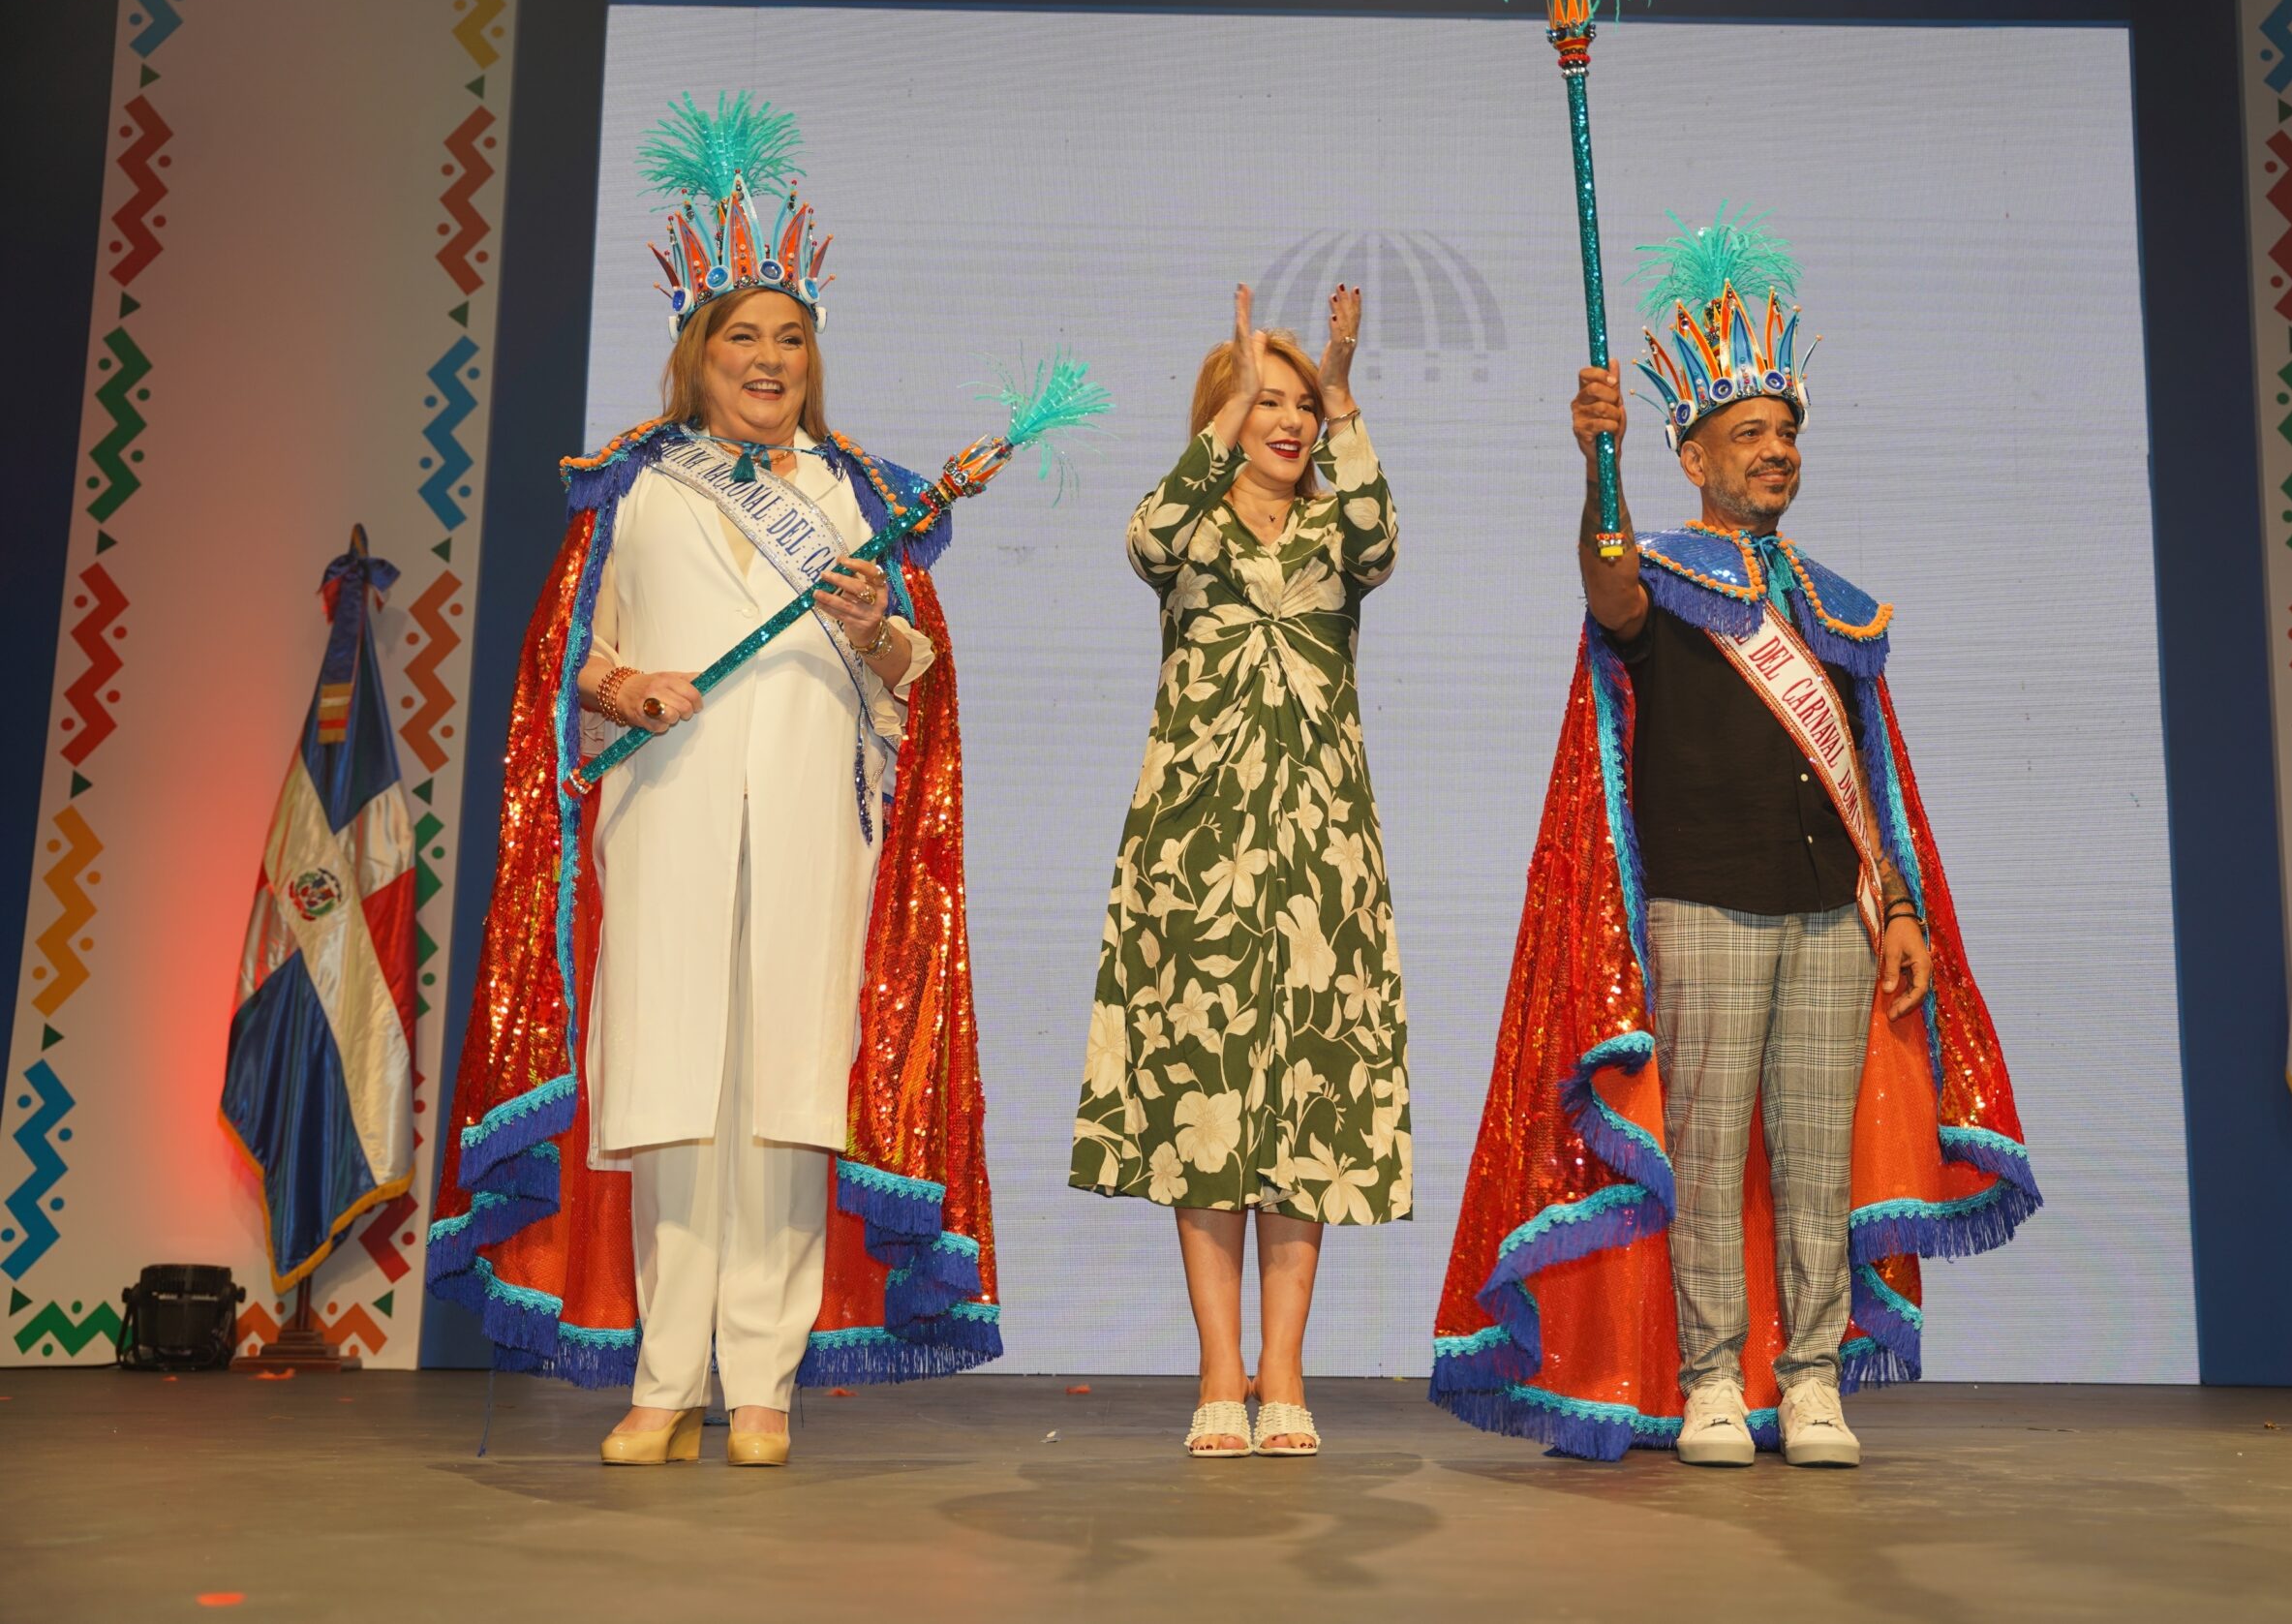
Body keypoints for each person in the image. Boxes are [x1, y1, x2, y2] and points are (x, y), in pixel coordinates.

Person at [426, 94, 1002, 1467]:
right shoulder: (635, 487)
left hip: (811, 826)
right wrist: (624, 687)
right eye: (743, 336)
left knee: (791, 1099)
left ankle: (765, 1381)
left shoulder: (860, 495)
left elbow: (915, 680)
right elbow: (568, 657)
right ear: (697, 352)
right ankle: (664, 1376)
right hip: (666, 819)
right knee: (673, 1094)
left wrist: (879, 626)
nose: (768, 359)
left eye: (790, 338)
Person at [1429, 209, 2039, 1466]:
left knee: (1815, 1154)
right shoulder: (1656, 580)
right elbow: (1604, 582)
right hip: (1700, 903)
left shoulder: (1832, 609)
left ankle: (1810, 1377)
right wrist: (1596, 466)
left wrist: (1902, 910)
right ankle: (1710, 1376)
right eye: (1749, 435)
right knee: (1705, 1153)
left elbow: (1876, 781)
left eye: (1785, 434)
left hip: (1829, 916)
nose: (1775, 452)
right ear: (1693, 455)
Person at [1070, 284, 1411, 1457]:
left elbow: (1378, 539)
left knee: (1305, 1098)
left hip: (1320, 847)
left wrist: (1342, 388)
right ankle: (1220, 1367)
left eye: (1301, 406)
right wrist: (1224, 410)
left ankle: (1285, 1370)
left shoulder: (1334, 533)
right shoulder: (1189, 527)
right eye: (1269, 402)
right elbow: (1147, 540)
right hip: (1195, 844)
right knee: (1204, 1098)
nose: (1291, 421)